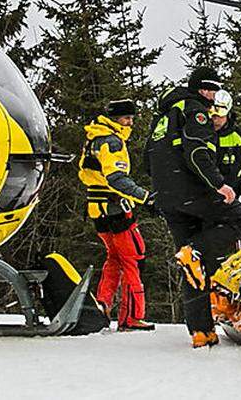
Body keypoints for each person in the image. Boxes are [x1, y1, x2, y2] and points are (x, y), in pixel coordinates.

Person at [145, 67, 241, 347]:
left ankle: (201, 332)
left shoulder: (164, 115)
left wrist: (163, 190)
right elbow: (197, 151)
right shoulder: (195, 110)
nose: (212, 95)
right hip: (191, 191)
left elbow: (146, 161)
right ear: (201, 89)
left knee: (192, 265)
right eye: (210, 89)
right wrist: (218, 184)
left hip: (166, 197)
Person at [78, 99, 155, 331]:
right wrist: (146, 197)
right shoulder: (112, 142)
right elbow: (116, 179)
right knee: (134, 258)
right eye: (126, 118)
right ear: (115, 118)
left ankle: (103, 304)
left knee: (114, 257)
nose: (130, 122)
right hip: (115, 209)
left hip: (97, 208)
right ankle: (131, 317)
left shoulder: (94, 137)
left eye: (132, 118)